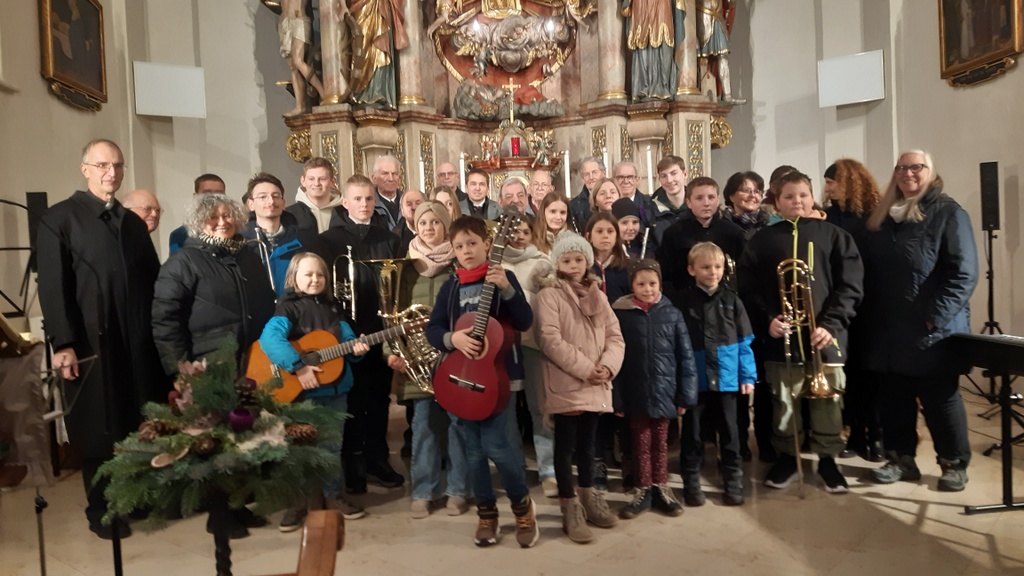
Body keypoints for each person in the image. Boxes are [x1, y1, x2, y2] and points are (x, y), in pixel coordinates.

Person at [37, 139, 166, 539]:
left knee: (139, 419)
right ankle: (102, 509)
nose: (112, 172)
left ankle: (138, 497)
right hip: (90, 346)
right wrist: (64, 344)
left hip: (136, 343)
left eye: (118, 165)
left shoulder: (130, 223)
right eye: (103, 165)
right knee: (98, 426)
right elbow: (54, 288)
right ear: (85, 169)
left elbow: (154, 279)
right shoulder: (59, 219)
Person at [151, 193, 277, 537]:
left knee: (245, 435)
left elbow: (266, 303)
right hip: (207, 365)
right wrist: (180, 369)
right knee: (215, 440)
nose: (222, 222)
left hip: (250, 362)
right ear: (197, 222)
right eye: (213, 217)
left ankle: (240, 505)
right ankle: (218, 513)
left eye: (228, 215)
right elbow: (165, 319)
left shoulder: (248, 255)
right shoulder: (183, 262)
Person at [738, 171, 863, 495]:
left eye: (803, 195)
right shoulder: (763, 240)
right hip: (782, 340)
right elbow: (748, 289)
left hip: (826, 338)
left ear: (813, 197)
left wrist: (831, 325)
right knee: (784, 401)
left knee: (828, 402)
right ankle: (787, 457)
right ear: (776, 202)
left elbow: (850, 287)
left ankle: (827, 459)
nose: (798, 202)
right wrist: (767, 319)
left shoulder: (834, 236)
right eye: (789, 197)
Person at [861, 150, 977, 492]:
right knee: (894, 397)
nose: (908, 173)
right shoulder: (883, 216)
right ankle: (900, 459)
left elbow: (964, 273)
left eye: (916, 167)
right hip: (888, 327)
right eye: (901, 167)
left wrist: (934, 317)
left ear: (930, 171)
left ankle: (953, 463)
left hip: (932, 329)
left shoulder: (949, 213)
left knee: (940, 398)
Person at [425, 216, 539, 548]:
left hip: (496, 380)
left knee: (501, 449)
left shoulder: (505, 277)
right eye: (459, 246)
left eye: (472, 243)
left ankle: (522, 508)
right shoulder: (451, 286)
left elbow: (524, 320)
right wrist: (452, 338)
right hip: (459, 378)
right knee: (473, 453)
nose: (466, 251)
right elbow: (433, 330)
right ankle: (486, 514)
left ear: (488, 244)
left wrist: (506, 288)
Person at [258, 252, 369, 529]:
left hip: (334, 392)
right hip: (300, 394)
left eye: (320, 274)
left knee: (332, 448)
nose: (315, 279)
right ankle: (298, 503)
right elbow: (269, 340)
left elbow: (348, 345)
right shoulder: (288, 309)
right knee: (298, 451)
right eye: (308, 274)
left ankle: (333, 496)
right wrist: (299, 366)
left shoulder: (334, 310)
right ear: (293, 278)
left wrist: (358, 350)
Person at [313, 175, 404, 493]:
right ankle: (353, 466)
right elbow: (323, 290)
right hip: (344, 331)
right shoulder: (328, 240)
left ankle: (378, 460)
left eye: (369, 199)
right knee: (350, 402)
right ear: (345, 202)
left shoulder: (388, 238)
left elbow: (397, 287)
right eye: (358, 199)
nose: (364, 204)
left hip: (380, 329)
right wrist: (341, 330)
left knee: (379, 399)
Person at [532, 232, 624, 543]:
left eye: (579, 259)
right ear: (557, 263)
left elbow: (615, 337)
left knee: (589, 445)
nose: (573, 265)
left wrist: (608, 366)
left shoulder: (598, 294)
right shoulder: (549, 295)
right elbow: (550, 340)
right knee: (565, 446)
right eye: (567, 260)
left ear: (587, 262)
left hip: (597, 381)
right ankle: (569, 506)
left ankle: (589, 496)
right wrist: (587, 369)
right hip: (567, 382)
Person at [397, 201, 470, 519]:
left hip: (453, 358)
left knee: (457, 425)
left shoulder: (459, 267)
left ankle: (458, 490)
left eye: (435, 222)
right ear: (416, 226)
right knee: (424, 426)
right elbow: (392, 316)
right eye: (423, 222)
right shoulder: (404, 268)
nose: (429, 227)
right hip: (416, 362)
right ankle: (424, 491)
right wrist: (393, 353)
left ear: (445, 227)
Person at [612, 258, 697, 518]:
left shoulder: (672, 313)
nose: (647, 288)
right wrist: (616, 398)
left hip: (665, 393)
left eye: (652, 283)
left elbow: (686, 357)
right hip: (635, 393)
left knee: (661, 443)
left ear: (660, 283)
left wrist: (685, 394)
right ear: (632, 285)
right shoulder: (622, 315)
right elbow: (615, 357)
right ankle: (643, 489)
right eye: (641, 283)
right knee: (639, 443)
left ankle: (661, 488)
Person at [676, 243, 756, 506]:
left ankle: (732, 478)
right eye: (706, 267)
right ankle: (691, 479)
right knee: (693, 431)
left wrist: (747, 376)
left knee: (730, 432)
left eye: (718, 267)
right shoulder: (683, 302)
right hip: (694, 378)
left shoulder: (733, 300)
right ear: (691, 270)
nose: (713, 272)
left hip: (728, 377)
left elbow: (745, 341)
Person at [821, 159, 883, 462]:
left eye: (832, 182)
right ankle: (856, 435)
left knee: (873, 377)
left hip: (871, 306)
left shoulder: (876, 216)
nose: (828, 188)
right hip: (843, 308)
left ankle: (878, 437)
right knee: (852, 376)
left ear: (849, 182)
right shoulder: (829, 216)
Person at [502, 216, 556, 497]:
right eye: (515, 230)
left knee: (539, 408)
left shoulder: (542, 262)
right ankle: (515, 467)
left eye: (526, 231)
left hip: (535, 344)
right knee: (508, 411)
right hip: (505, 346)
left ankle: (548, 469)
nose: (520, 236)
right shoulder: (495, 263)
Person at [656, 176, 744, 298]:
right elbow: (665, 274)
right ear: (689, 202)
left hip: (724, 301)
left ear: (718, 200)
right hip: (684, 300)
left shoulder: (734, 233)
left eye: (711, 197)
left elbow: (743, 273)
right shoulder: (674, 233)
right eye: (699, 198)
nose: (706, 203)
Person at [241, 172, 317, 297]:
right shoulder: (241, 242)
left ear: (283, 202)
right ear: (251, 204)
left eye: (276, 196)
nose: (271, 201)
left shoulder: (304, 240)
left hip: (294, 310)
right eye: (262, 197)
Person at [348, 0, 408, 109]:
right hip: (362, 6)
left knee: (380, 46)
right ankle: (360, 92)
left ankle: (379, 92)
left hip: (381, 4)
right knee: (362, 44)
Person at [622, 0, 684, 101]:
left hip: (662, 4)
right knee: (642, 41)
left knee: (665, 40)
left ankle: (663, 85)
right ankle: (644, 86)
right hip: (641, 4)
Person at [279, 0, 324, 117]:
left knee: (298, 61)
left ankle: (322, 92)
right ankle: (300, 105)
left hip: (299, 19)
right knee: (292, 66)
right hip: (284, 22)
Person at [169, 173, 225, 253]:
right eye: (207, 193)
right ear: (195, 196)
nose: (213, 197)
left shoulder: (234, 230)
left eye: (219, 194)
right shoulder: (180, 235)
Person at [286, 157, 343, 234]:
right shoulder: (289, 214)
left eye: (322, 179)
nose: (316, 183)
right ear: (303, 181)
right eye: (311, 179)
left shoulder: (345, 213)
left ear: (332, 181)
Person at [585, 211, 631, 302]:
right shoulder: (583, 267)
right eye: (599, 231)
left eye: (610, 231)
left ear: (617, 236)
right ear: (589, 236)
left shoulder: (627, 267)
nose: (605, 236)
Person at [722, 171, 770, 240]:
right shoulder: (721, 225)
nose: (752, 195)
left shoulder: (769, 224)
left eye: (757, 191)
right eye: (746, 191)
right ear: (731, 196)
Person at [651, 155, 690, 238]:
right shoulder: (650, 209)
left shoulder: (697, 205)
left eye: (674, 173)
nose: (669, 180)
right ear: (659, 179)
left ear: (685, 174)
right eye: (664, 176)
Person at [612, 161, 660, 228]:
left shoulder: (649, 204)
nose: (626, 181)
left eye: (630, 177)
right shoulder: (608, 203)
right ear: (614, 180)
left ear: (637, 180)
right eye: (620, 177)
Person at [569, 157, 605, 229]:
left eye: (594, 172)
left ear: (603, 174)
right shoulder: (574, 205)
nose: (591, 177)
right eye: (587, 174)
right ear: (583, 179)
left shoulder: (614, 198)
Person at [394, 189, 426, 254]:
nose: (414, 207)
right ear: (402, 211)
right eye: (409, 204)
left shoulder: (438, 231)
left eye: (418, 203)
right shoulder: (395, 238)